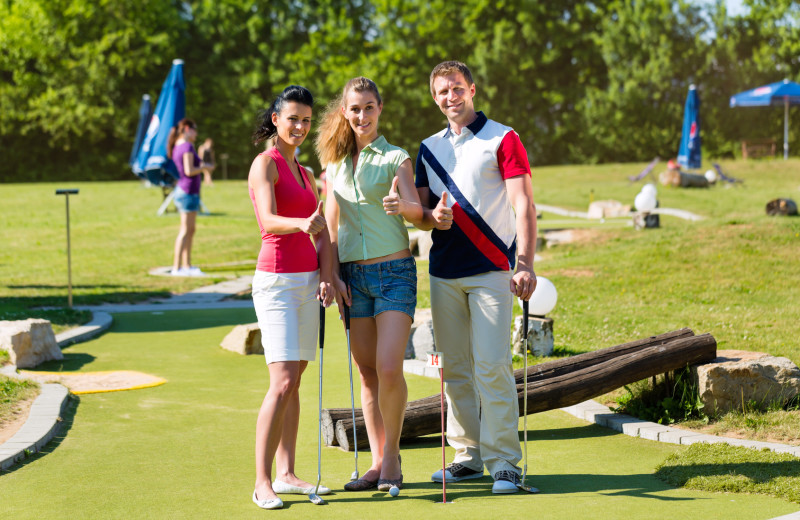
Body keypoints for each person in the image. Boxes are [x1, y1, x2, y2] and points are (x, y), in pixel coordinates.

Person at [414, 61, 538, 494]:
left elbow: (524, 205)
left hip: (491, 271)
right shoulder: (427, 148)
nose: (451, 97)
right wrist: (433, 217)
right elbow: (425, 215)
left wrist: (525, 263)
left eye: (457, 88)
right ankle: (468, 457)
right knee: (454, 370)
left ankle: (505, 463)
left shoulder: (504, 137)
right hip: (444, 273)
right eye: (442, 92)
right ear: (434, 98)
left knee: (492, 366)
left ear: (472, 89)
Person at [316, 77, 423, 492]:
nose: (362, 116)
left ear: (381, 109)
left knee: (389, 367)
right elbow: (328, 224)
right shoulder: (334, 165)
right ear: (345, 111)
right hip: (353, 280)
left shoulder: (396, 157)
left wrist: (405, 207)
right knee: (366, 374)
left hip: (395, 273)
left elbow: (416, 210)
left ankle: (393, 459)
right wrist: (331, 274)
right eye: (355, 109)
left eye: (369, 107)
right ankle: (377, 463)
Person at [248, 85, 334, 510]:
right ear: (276, 119)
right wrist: (303, 223)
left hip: (306, 283)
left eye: (306, 119)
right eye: (292, 118)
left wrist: (326, 274)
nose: (299, 126)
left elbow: (321, 232)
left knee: (295, 382)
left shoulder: (304, 172)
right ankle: (262, 481)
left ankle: (286, 473)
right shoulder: (266, 164)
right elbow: (267, 221)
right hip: (277, 284)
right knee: (281, 382)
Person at [168, 118, 214, 276]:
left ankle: (187, 266)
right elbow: (188, 171)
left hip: (186, 191)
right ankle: (177, 268)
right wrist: (204, 167)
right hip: (187, 191)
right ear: (187, 129)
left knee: (190, 230)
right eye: (194, 130)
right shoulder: (187, 146)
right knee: (185, 230)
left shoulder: (178, 145)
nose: (196, 133)